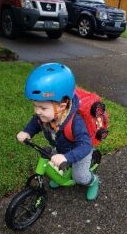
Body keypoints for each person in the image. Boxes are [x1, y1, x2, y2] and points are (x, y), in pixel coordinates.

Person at [17, 63, 99, 201]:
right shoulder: (46, 116)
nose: (37, 111)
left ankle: (93, 181)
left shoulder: (75, 123)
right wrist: (27, 132)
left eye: (42, 108)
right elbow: (35, 122)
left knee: (79, 177)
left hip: (79, 151)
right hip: (61, 147)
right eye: (35, 106)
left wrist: (67, 158)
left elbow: (85, 145)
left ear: (61, 106)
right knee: (53, 164)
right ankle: (60, 176)